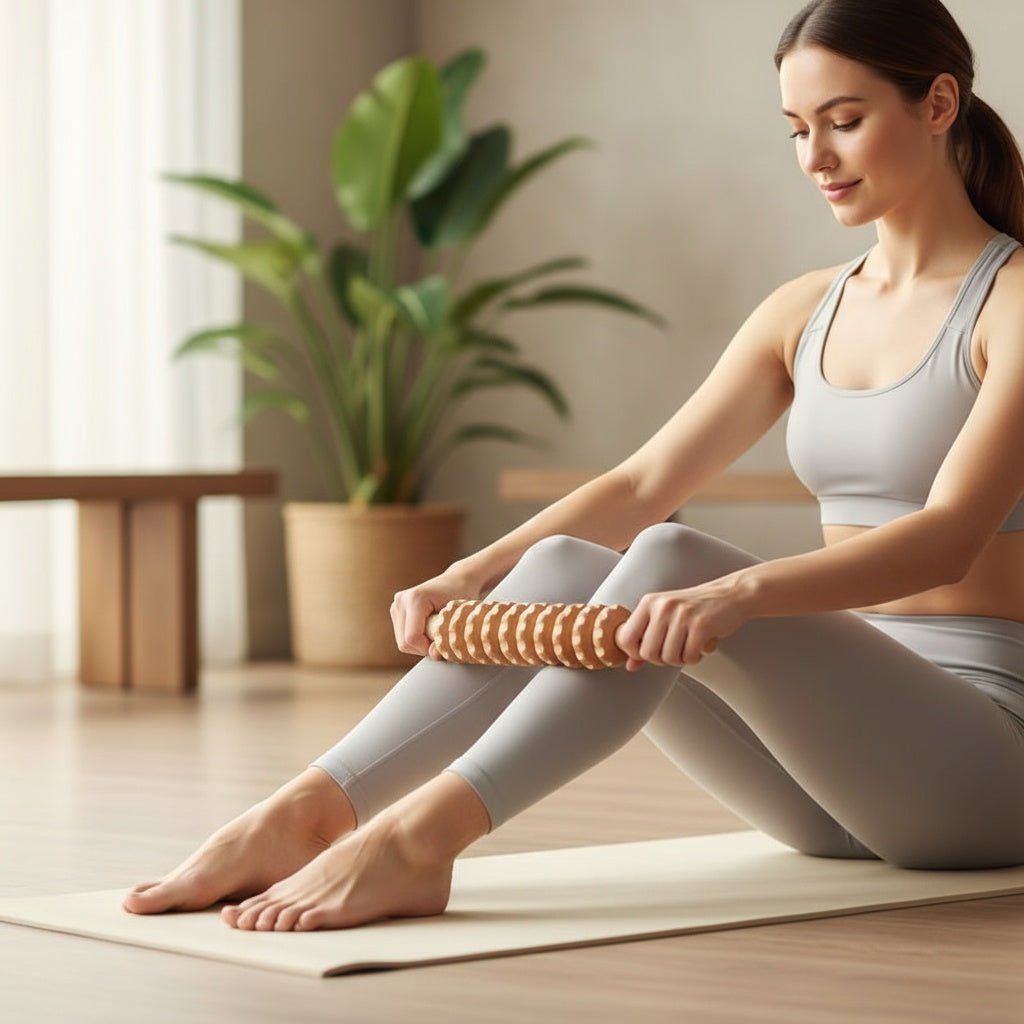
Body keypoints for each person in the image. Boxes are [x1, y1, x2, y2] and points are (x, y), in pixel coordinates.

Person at [123, 0, 1024, 933]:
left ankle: (420, 842)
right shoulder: (804, 310)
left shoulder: (1012, 305)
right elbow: (640, 487)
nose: (816, 158)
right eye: (798, 129)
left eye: (845, 120)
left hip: (977, 772)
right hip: (831, 795)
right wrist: (470, 576)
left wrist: (742, 594)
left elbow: (949, 541)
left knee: (674, 563)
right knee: (559, 570)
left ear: (939, 103)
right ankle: (307, 811)